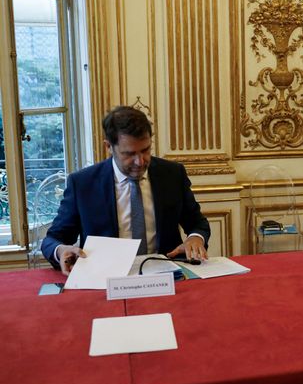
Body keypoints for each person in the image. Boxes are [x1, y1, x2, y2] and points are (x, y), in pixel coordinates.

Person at [42, 106, 210, 275]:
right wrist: (61, 250)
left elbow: (197, 223)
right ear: (108, 146)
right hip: (105, 279)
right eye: (129, 154)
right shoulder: (83, 184)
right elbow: (53, 239)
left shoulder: (172, 174)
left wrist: (195, 238)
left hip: (167, 277)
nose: (140, 161)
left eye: (145, 150)